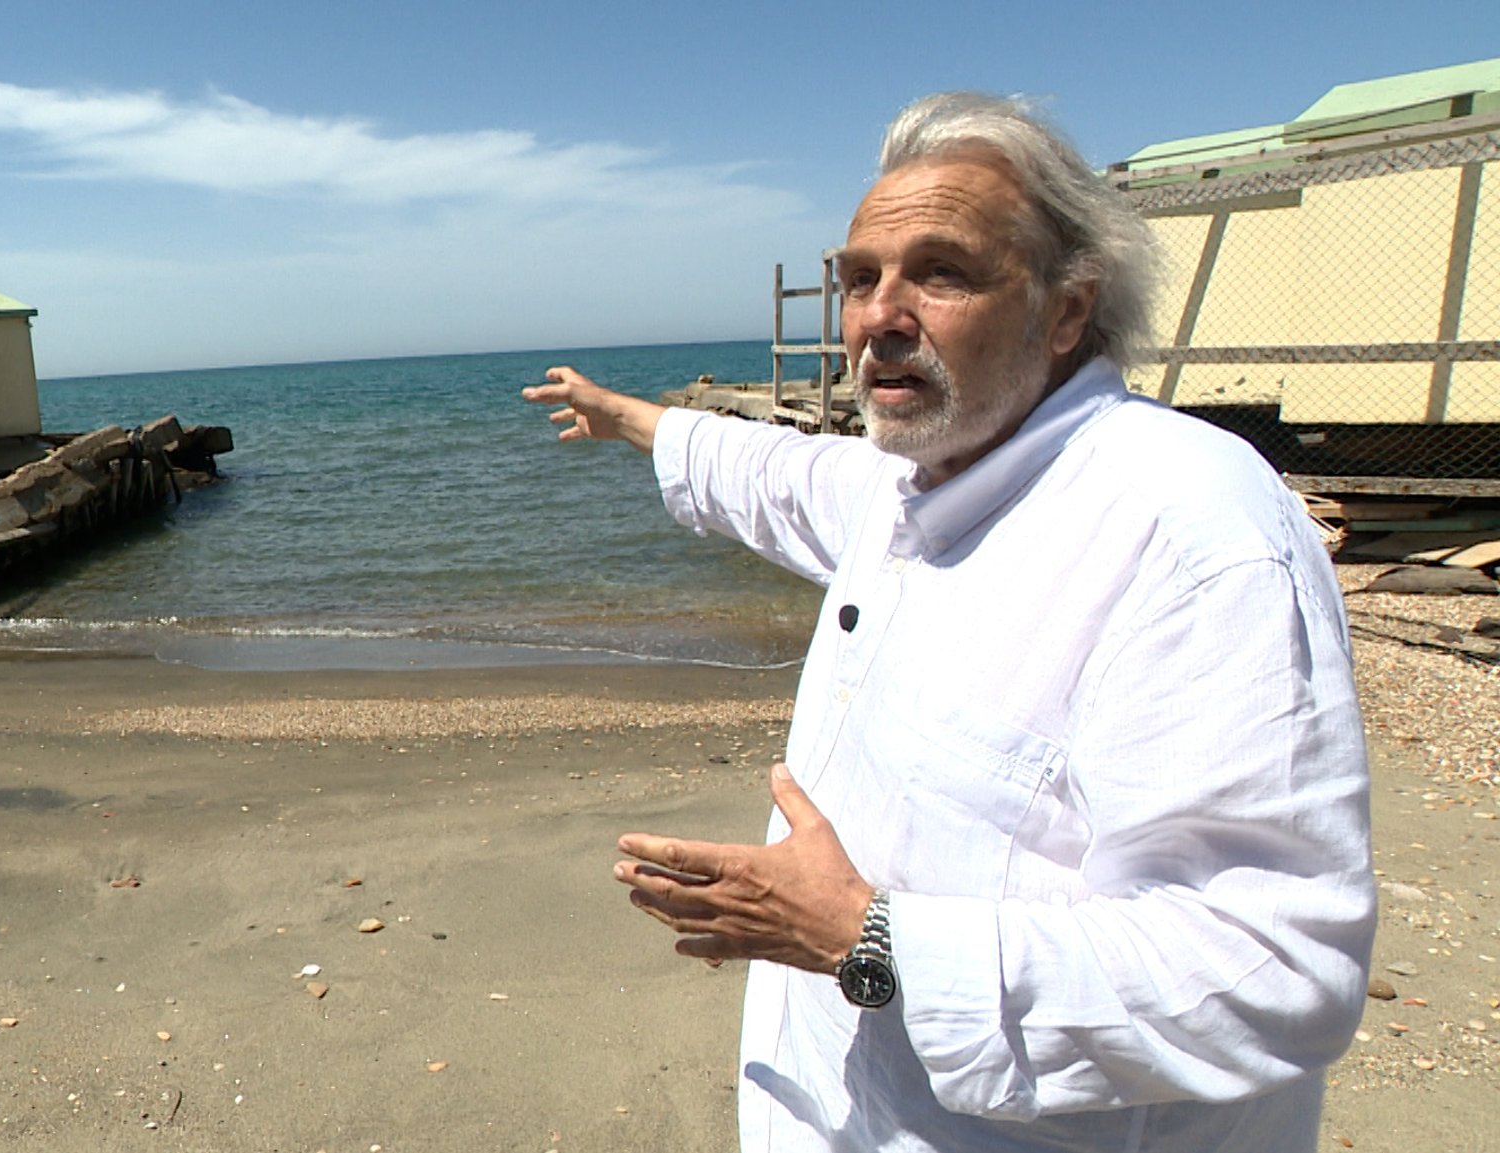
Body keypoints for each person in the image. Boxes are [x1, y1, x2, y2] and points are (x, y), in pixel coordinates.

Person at [522, 92, 1374, 1152]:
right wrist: (631, 420)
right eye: (858, 277)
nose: (880, 313)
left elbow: (1272, 971)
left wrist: (861, 936)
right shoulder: (912, 478)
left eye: (941, 271)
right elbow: (777, 473)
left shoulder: (1186, 528)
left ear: (1065, 310)